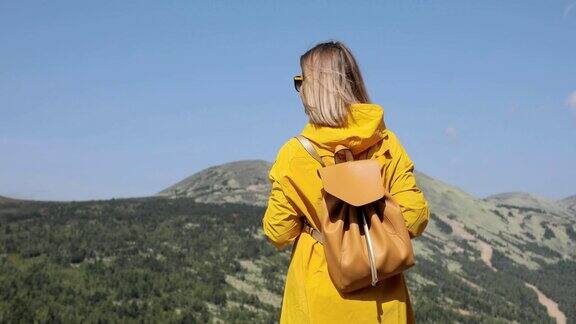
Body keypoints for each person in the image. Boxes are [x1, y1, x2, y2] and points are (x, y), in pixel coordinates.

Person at [262, 40, 430, 324]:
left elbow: (278, 232)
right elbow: (414, 217)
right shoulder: (386, 143)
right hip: (384, 301)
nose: (299, 90)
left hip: (319, 298)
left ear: (315, 89)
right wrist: (373, 224)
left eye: (301, 81)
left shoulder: (295, 154)